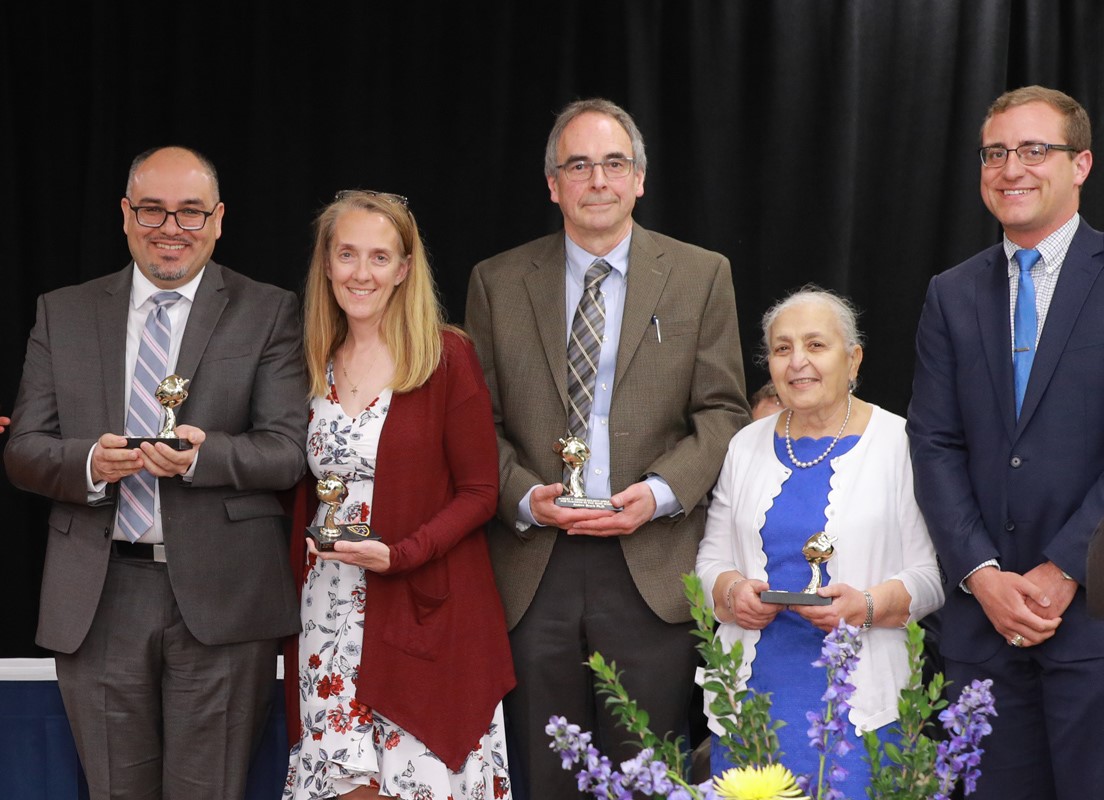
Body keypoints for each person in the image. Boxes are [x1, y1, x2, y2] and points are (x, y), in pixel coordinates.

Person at [907, 85, 1104, 800]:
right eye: (997, 152)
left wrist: (1063, 569)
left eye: (1036, 149)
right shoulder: (950, 293)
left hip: (1102, 625)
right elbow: (934, 441)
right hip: (983, 628)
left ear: (1082, 164)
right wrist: (980, 572)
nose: (1013, 167)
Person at [464, 97, 749, 799]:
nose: (598, 180)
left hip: (649, 565)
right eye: (579, 165)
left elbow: (722, 412)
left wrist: (655, 495)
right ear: (553, 183)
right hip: (535, 568)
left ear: (640, 179)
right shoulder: (496, 283)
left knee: (648, 778)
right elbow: (476, 427)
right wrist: (523, 496)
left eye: (614, 163)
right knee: (547, 773)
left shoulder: (701, 274)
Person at [4, 145, 308, 799]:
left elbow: (288, 450)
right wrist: (87, 462)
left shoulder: (268, 310)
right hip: (100, 592)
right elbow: (24, 448)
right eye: (153, 210)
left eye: (191, 212)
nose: (171, 229)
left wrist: (206, 457)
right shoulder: (64, 311)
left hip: (226, 599)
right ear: (124, 214)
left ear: (219, 220)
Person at [283, 190, 514, 799]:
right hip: (328, 610)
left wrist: (403, 553)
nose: (361, 273)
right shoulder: (309, 362)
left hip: (420, 606)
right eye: (348, 254)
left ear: (404, 269)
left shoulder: (445, 356)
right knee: (345, 786)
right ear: (326, 263)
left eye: (380, 257)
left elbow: (481, 491)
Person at [696, 287, 943, 792]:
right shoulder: (745, 444)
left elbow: (933, 576)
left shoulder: (900, 444)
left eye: (816, 345)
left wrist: (867, 606)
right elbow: (711, 557)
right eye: (782, 349)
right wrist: (729, 593)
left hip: (862, 704)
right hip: (752, 696)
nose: (797, 362)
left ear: (853, 359)